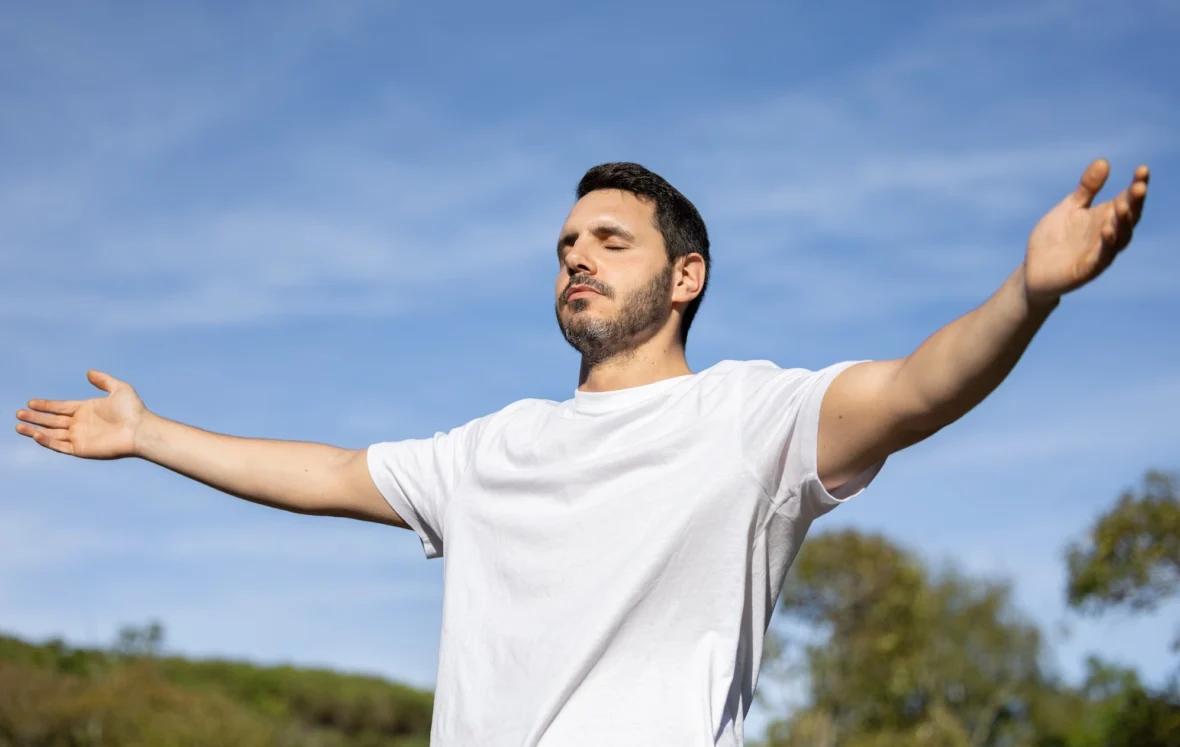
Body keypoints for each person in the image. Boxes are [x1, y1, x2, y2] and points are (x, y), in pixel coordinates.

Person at [13, 159, 1150, 746]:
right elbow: (327, 473)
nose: (577, 257)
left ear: (684, 275)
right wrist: (151, 434)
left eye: (610, 240)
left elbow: (915, 389)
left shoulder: (752, 420)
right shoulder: (493, 447)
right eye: (565, 244)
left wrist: (1027, 295)